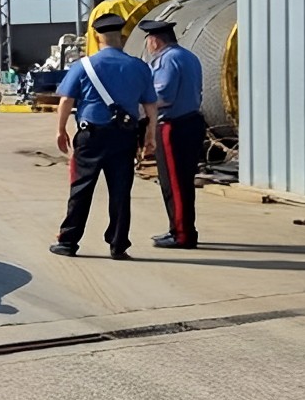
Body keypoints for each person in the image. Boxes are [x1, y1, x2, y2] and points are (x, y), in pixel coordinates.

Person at [50, 14, 158, 260]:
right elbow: (151, 106)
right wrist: (150, 136)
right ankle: (118, 244)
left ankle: (68, 241)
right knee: (121, 191)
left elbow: (66, 100)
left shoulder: (83, 66)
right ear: (121, 37)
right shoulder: (139, 67)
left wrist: (60, 130)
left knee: (81, 189)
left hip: (91, 136)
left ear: (97, 38)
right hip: (125, 137)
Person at [138, 19, 206, 249]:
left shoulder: (166, 60)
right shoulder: (188, 56)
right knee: (182, 181)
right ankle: (181, 228)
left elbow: (163, 96)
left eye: (148, 39)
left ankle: (182, 234)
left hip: (173, 126)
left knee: (174, 183)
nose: (148, 44)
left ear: (155, 41)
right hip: (191, 122)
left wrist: (141, 106)